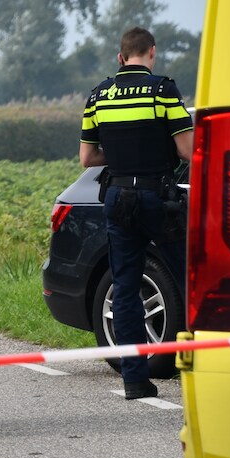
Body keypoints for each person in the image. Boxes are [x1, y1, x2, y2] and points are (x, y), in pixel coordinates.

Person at [80, 26, 192, 400]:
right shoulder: (163, 90)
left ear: (120, 57)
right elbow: (187, 152)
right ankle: (205, 365)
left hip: (116, 197)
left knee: (125, 286)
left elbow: (87, 158)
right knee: (187, 275)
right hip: (157, 197)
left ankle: (134, 378)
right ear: (152, 53)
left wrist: (122, 157)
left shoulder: (99, 95)